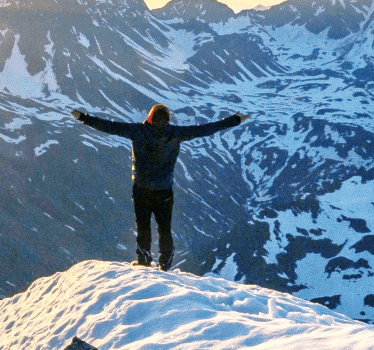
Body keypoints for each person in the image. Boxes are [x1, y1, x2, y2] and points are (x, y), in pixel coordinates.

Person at [71, 103, 250, 270]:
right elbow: (204, 129)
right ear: (167, 120)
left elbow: (109, 126)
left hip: (142, 188)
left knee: (143, 226)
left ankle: (143, 260)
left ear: (149, 118)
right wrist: (234, 120)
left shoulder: (137, 131)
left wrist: (83, 117)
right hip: (164, 191)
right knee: (164, 228)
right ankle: (165, 264)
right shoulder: (175, 134)